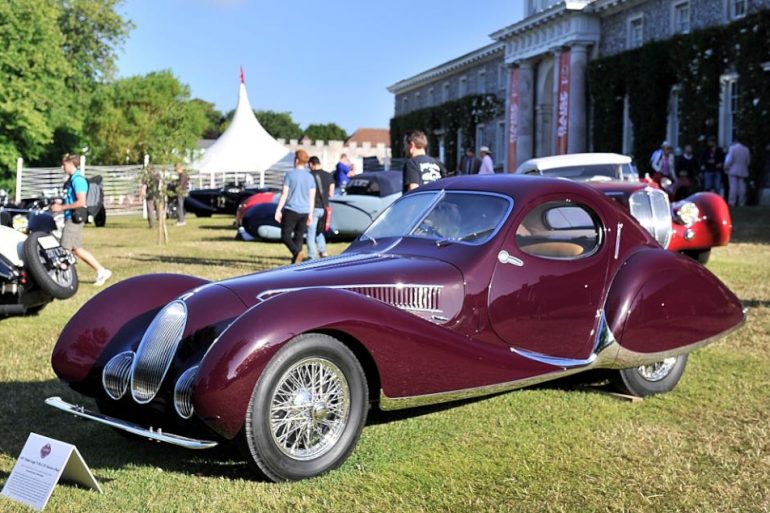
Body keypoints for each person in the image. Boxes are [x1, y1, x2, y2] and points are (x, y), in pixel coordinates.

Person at [51, 154, 112, 286]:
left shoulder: (77, 180)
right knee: (76, 250)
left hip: (74, 218)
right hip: (71, 216)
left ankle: (61, 280)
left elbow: (81, 202)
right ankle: (102, 271)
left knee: (64, 249)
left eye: (64, 164)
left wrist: (61, 207)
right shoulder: (72, 179)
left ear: (71, 164)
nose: (62, 167)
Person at [274, 149, 316, 264]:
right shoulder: (310, 177)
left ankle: (297, 253)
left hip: (291, 209)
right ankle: (296, 262)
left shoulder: (289, 174)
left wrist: (278, 210)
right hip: (305, 211)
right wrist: (311, 214)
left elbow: (284, 194)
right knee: (299, 237)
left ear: (296, 160)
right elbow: (311, 198)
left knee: (285, 236)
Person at [307, 156, 334, 259]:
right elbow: (331, 193)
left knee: (311, 233)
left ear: (310, 164)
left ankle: (311, 255)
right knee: (320, 231)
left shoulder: (309, 176)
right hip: (325, 207)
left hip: (313, 207)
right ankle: (323, 252)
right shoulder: (329, 175)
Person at [724, 138, 751, 207]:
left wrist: (726, 167)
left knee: (733, 187)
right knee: (742, 187)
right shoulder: (746, 149)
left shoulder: (732, 148)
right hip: (743, 169)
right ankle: (741, 202)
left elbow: (729, 159)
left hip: (733, 169)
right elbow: (748, 161)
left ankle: (732, 202)